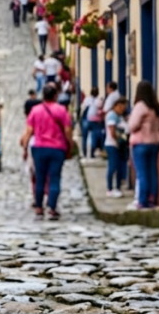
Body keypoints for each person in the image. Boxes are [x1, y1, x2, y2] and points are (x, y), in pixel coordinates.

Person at [20, 83, 70, 221]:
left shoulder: (35, 111)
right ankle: (52, 208)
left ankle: (39, 208)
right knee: (54, 177)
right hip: (57, 148)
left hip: (39, 147)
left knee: (40, 177)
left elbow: (29, 132)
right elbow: (67, 131)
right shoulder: (61, 110)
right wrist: (70, 145)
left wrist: (25, 148)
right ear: (55, 96)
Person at [128, 81, 159, 209]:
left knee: (142, 173)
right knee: (152, 171)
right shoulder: (155, 107)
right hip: (155, 142)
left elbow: (132, 125)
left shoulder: (141, 106)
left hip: (141, 143)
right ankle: (152, 199)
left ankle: (142, 201)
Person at [104, 97, 129, 198]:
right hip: (112, 144)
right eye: (120, 107)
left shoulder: (120, 116)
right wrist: (118, 141)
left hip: (120, 145)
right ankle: (110, 188)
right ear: (115, 106)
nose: (122, 109)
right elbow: (112, 130)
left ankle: (117, 187)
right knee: (112, 166)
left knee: (119, 167)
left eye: (123, 107)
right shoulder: (112, 116)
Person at [80, 87, 105, 158]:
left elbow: (83, 108)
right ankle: (91, 153)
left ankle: (84, 153)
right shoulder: (99, 101)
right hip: (96, 121)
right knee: (94, 137)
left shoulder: (87, 99)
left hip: (86, 120)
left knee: (84, 137)